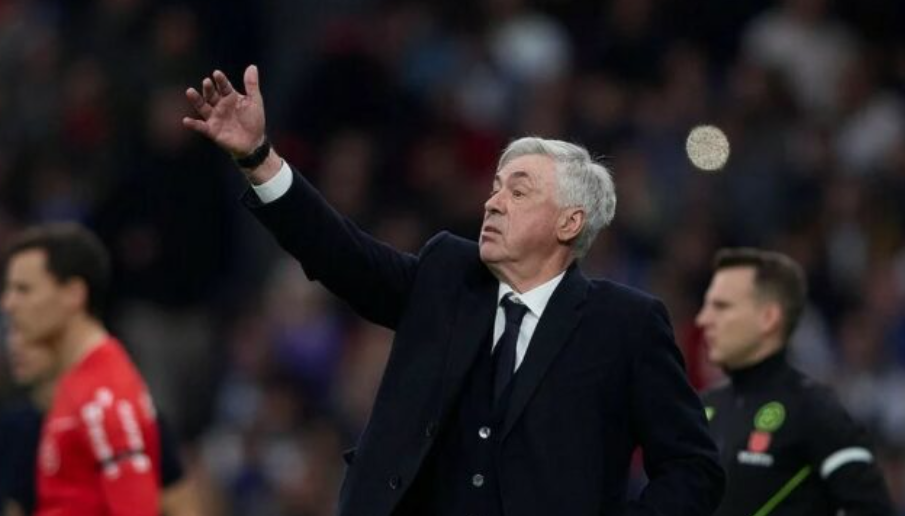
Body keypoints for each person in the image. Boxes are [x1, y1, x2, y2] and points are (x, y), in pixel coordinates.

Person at [183, 65, 724, 516]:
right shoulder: (447, 274)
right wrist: (259, 158)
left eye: (518, 192)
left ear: (569, 222)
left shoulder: (625, 324)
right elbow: (342, 255)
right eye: (495, 188)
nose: (493, 203)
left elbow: (692, 468)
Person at [696, 248, 894, 516]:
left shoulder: (814, 410)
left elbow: (873, 509)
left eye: (721, 306)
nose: (703, 319)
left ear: (768, 318)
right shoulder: (702, 408)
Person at [1, 223, 162, 516]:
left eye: (24, 290)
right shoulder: (75, 384)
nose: (8, 304)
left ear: (73, 294)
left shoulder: (105, 395)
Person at [0, 331, 199, 516]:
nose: (16, 345)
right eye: (12, 332)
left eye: (31, 336)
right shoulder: (15, 428)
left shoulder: (126, 418)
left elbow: (181, 505)